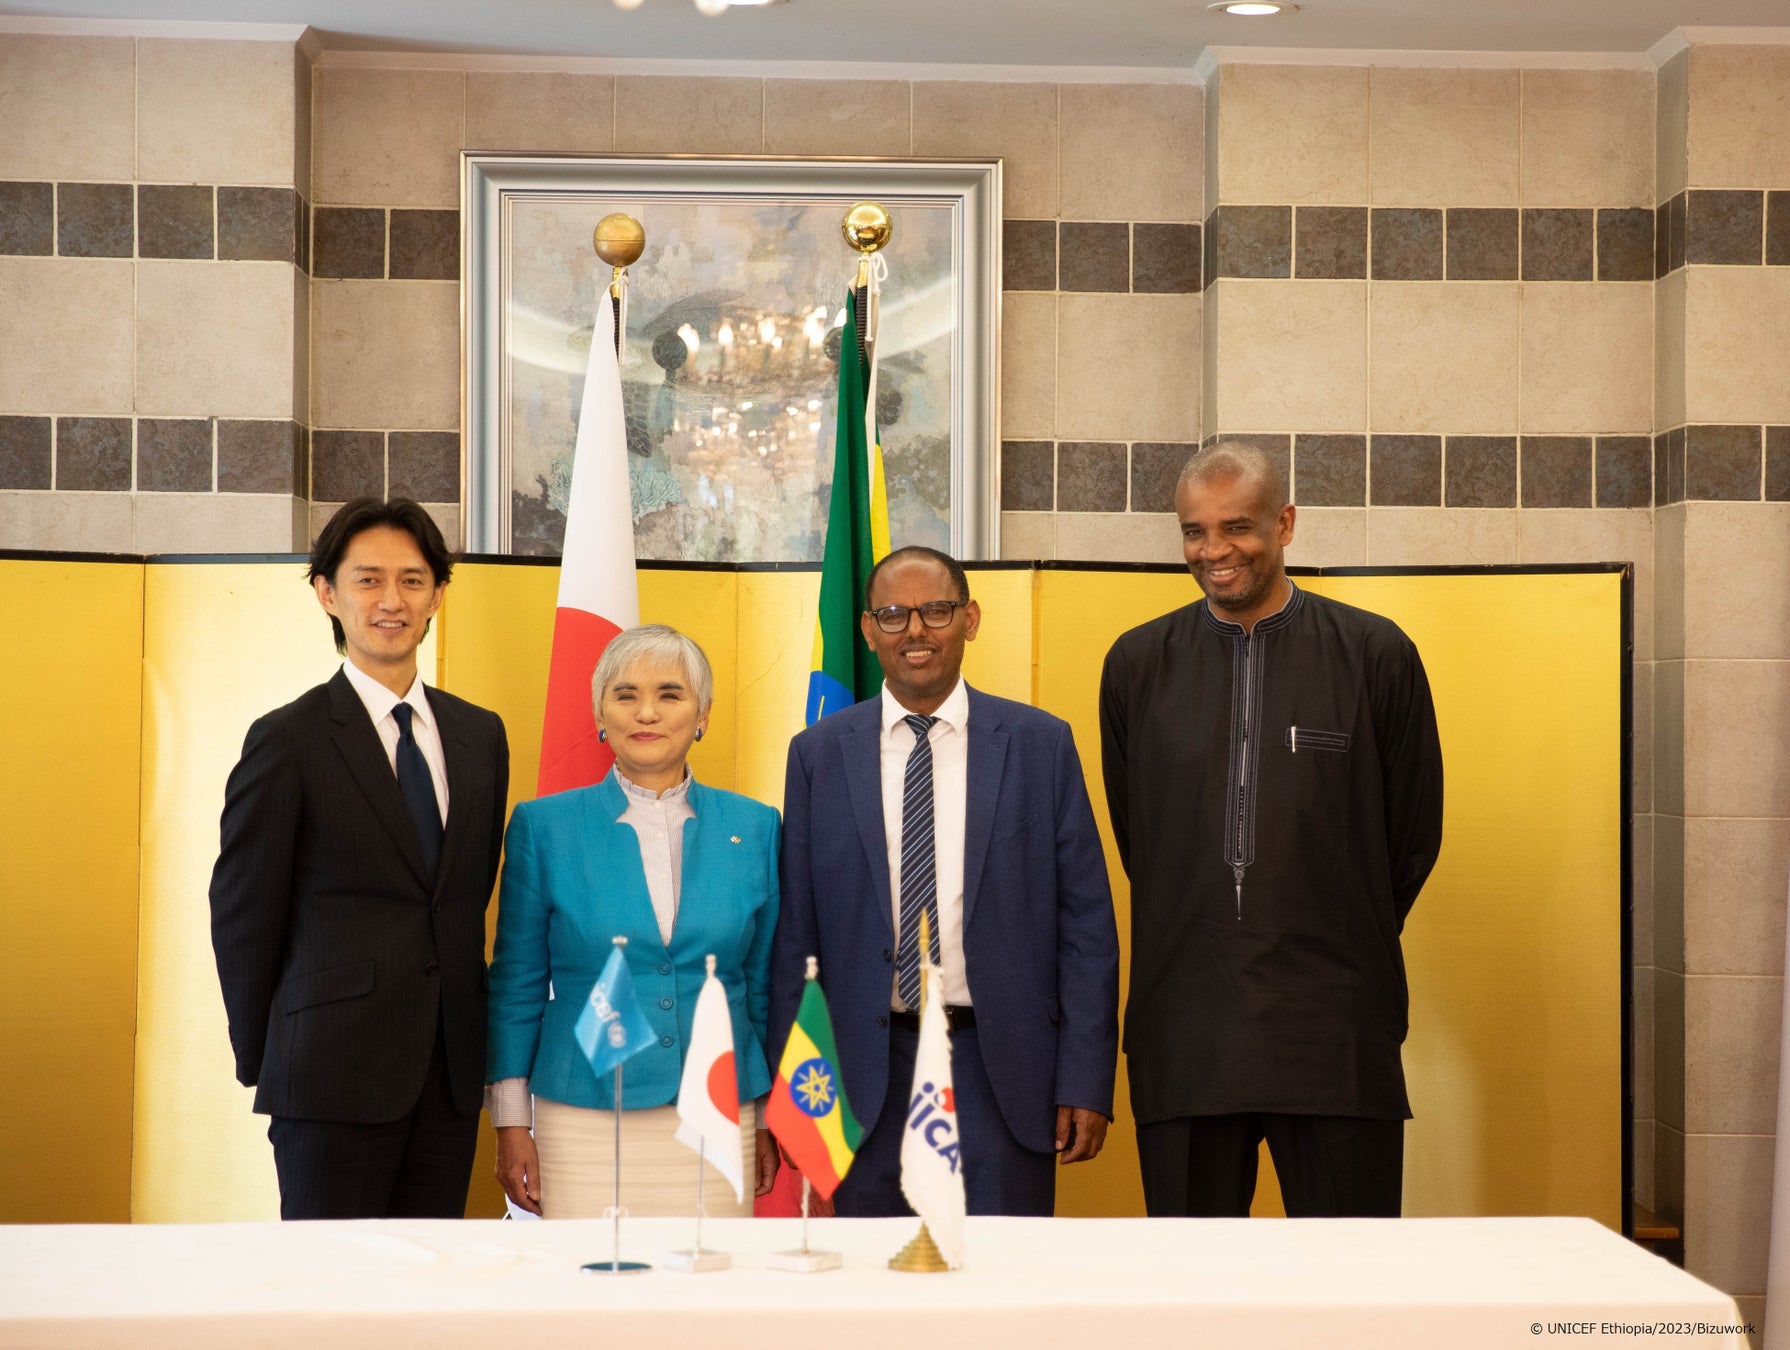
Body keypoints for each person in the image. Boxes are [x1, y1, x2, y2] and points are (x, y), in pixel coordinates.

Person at [1099, 442, 1444, 1219]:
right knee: (1193, 1282)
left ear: (1284, 524)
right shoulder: (1137, 665)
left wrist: (1329, 927)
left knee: (1347, 1280)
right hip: (1185, 1028)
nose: (1213, 550)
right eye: (1194, 531)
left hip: (1335, 1031)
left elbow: (1412, 838)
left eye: (1237, 527)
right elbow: (1142, 839)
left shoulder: (1375, 655)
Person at [773, 545, 1119, 1217]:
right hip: (862, 1073)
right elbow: (796, 937)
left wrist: (1084, 1078)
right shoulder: (818, 755)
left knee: (999, 1273)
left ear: (970, 619)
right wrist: (796, 1083)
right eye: (893, 615)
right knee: (872, 1274)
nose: (916, 631)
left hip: (1001, 1068)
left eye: (936, 610)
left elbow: (1086, 929)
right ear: (868, 629)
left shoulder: (1040, 745)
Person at [209, 498, 511, 1220]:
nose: (391, 600)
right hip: (327, 1075)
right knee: (330, 1282)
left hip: (448, 1078)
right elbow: (244, 915)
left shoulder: (480, 736)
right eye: (368, 579)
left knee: (427, 1281)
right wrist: (271, 1057)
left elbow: (464, 900)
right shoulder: (288, 739)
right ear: (327, 592)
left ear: (438, 595)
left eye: (412, 580)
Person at [486, 624, 781, 1217]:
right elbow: (517, 984)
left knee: (713, 1272)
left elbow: (763, 983)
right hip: (583, 1114)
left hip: (721, 1110)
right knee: (589, 1275)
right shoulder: (544, 827)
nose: (647, 712)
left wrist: (769, 1115)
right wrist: (511, 1123)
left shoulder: (756, 826)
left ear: (703, 714)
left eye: (670, 694)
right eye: (625, 695)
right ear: (601, 714)